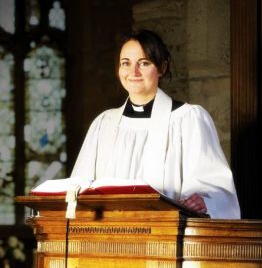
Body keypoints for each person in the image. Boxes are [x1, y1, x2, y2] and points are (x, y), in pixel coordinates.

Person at [71, 29, 240, 219]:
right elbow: (78, 188)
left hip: (165, 238)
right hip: (107, 237)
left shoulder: (187, 120)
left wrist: (204, 201)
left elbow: (216, 190)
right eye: (126, 63)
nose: (133, 72)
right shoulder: (103, 124)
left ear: (162, 68)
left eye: (144, 63)